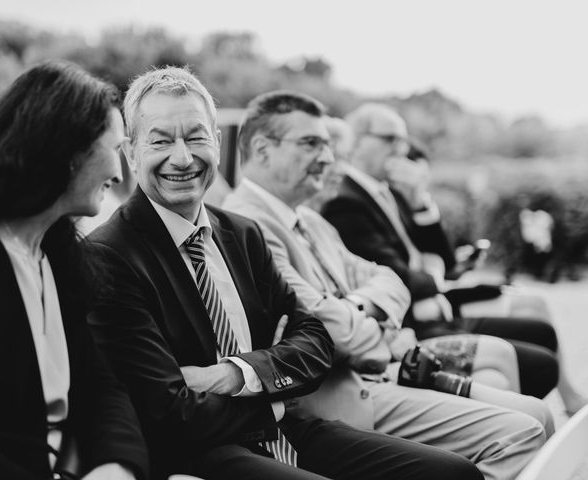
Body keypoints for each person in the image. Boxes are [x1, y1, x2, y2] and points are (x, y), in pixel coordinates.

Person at [85, 66, 484, 480]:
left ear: (218, 143)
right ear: (131, 152)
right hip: (202, 453)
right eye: (161, 141)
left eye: (196, 137)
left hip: (287, 430)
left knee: (454, 473)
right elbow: (169, 410)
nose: (183, 157)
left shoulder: (241, 233)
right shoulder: (109, 254)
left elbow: (315, 342)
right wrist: (273, 391)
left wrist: (237, 373)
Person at [222, 90, 551, 479]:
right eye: (311, 143)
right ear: (262, 149)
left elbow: (391, 279)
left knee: (537, 415)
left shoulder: (311, 221)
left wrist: (354, 308)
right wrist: (372, 320)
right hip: (340, 397)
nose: (328, 159)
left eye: (328, 145)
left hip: (385, 370)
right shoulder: (246, 225)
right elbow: (332, 333)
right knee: (525, 430)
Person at [0, 61, 148, 480]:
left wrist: (117, 466)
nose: (119, 172)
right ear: (68, 151)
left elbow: (102, 387)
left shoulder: (58, 254)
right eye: (115, 149)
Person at [319, 103, 581, 407]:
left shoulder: (390, 192)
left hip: (436, 305)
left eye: (403, 139)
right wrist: (436, 275)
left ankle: (550, 409)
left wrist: (419, 200)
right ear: (358, 140)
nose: (401, 148)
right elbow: (400, 278)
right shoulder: (346, 202)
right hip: (415, 321)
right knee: (539, 359)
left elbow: (442, 257)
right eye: (391, 138)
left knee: (540, 329)